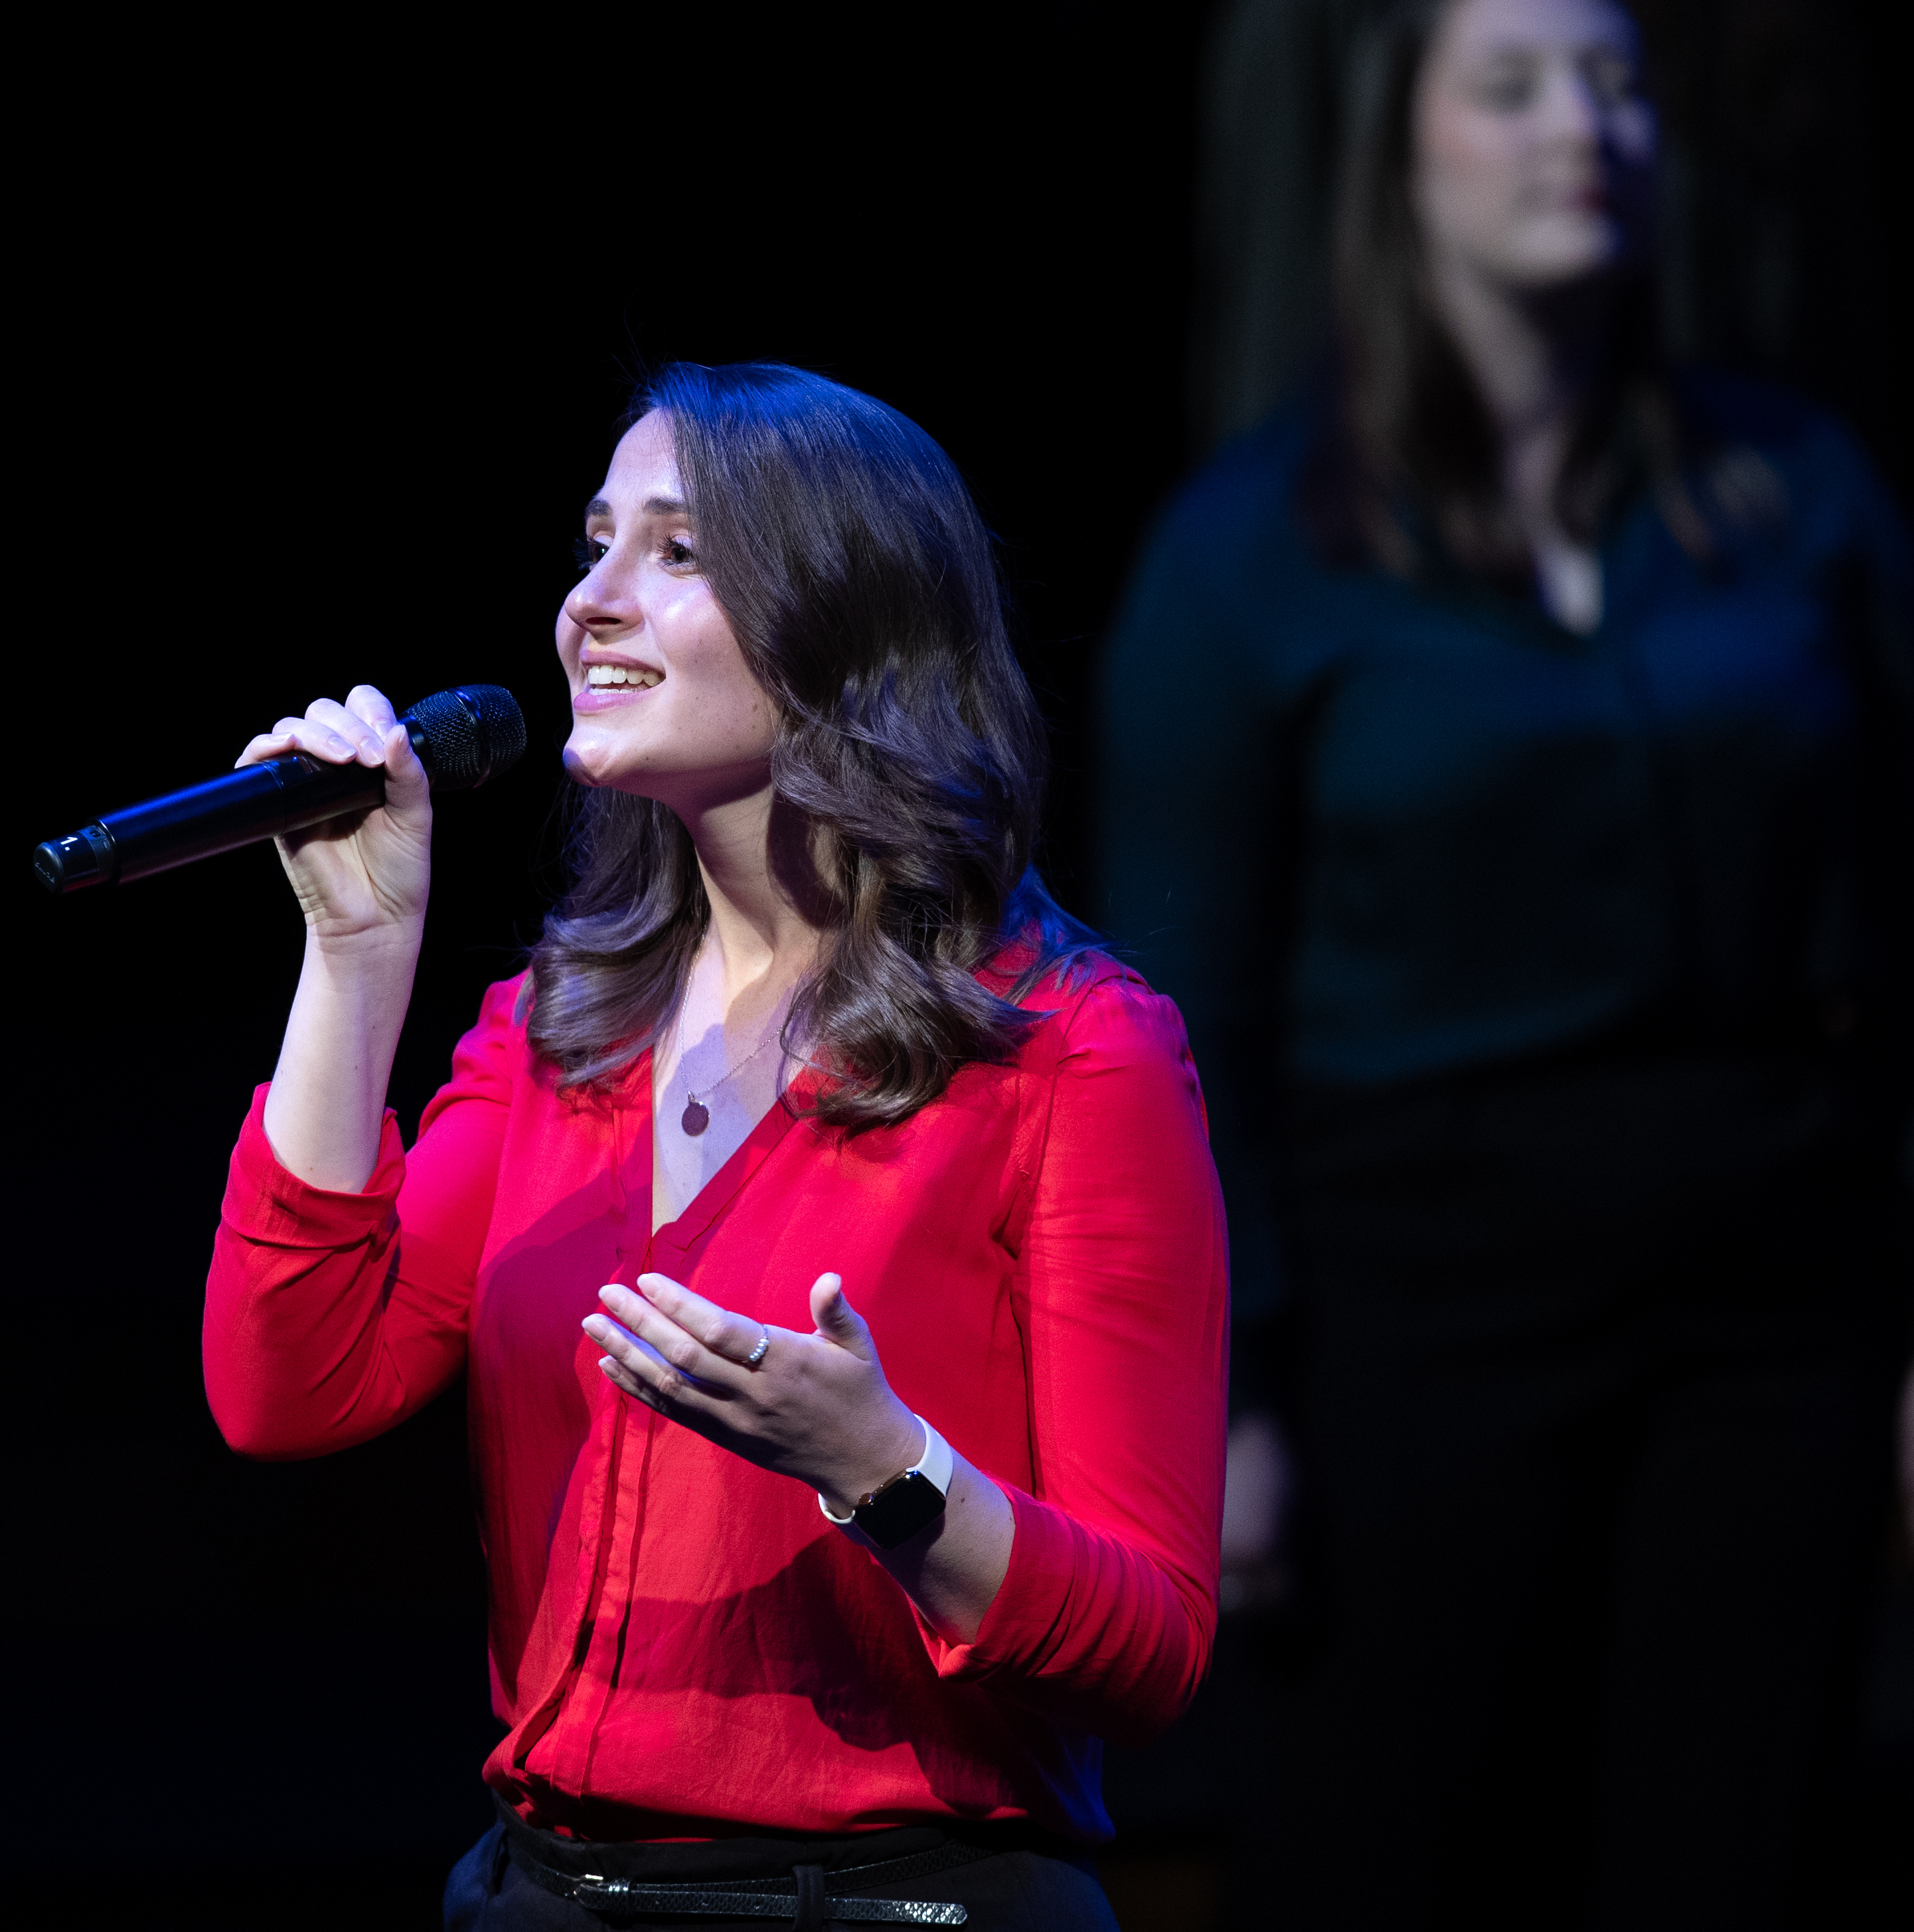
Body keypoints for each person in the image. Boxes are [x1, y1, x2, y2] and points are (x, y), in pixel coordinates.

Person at [204, 362, 1230, 1930]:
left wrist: (884, 1470)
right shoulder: (562, 1025)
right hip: (546, 1894)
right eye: (593, 541)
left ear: (849, 622)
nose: (588, 604)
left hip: (895, 1907)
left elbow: (1149, 1642)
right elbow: (292, 1387)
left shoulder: (1066, 1052)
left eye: (675, 554)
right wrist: (354, 959)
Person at [1093, 1, 1911, 1924]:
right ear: (1400, 147)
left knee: (1736, 1850)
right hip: (1413, 1309)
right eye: (1518, 83)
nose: (1587, 128)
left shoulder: (1792, 495)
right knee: (1404, 1844)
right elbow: (1171, 1020)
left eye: (1617, 83)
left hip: (1761, 1299)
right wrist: (1234, 1395)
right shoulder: (1250, 559)